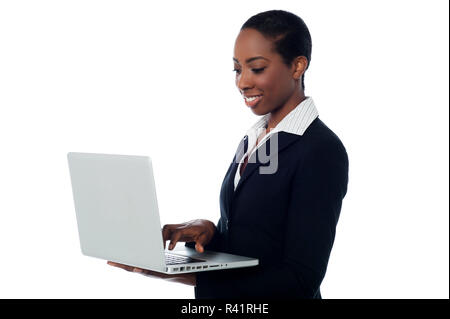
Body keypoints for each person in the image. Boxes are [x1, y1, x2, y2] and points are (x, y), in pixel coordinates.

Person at [108, 9, 349, 299]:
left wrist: (177, 274)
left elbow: (300, 278)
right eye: (237, 69)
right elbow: (255, 239)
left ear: (297, 66)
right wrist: (209, 231)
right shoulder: (257, 137)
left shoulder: (320, 150)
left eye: (256, 68)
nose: (242, 82)